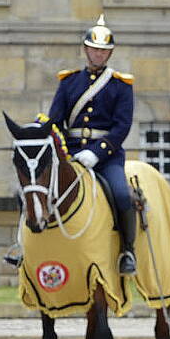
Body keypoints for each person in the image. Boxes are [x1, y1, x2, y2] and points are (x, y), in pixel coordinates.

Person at [44, 17, 137, 276]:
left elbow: (122, 127)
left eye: (104, 50)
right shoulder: (69, 82)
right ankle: (28, 245)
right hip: (70, 153)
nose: (99, 54)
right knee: (38, 189)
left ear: (110, 53)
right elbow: (55, 121)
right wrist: (63, 151)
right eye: (94, 49)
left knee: (121, 194)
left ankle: (127, 251)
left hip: (106, 157)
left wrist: (96, 153)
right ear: (86, 50)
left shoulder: (121, 85)